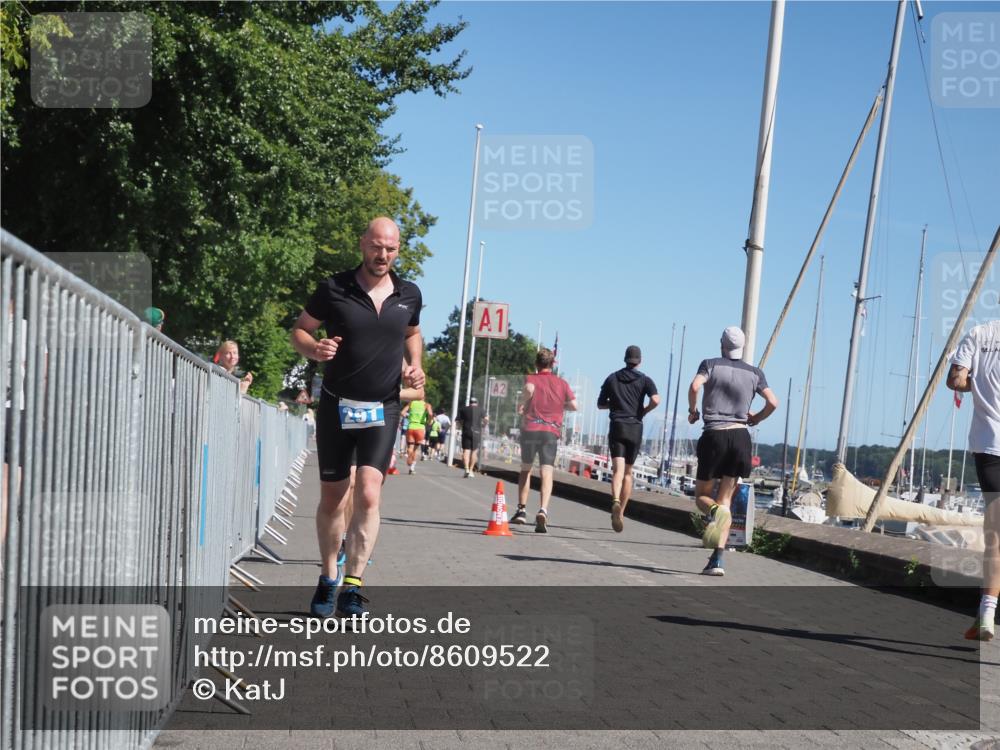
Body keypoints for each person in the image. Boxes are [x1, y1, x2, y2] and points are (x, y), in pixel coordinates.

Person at [290, 216, 424, 619]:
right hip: (335, 404)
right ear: (363, 243)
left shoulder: (409, 294)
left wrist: (415, 365)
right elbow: (300, 330)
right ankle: (329, 576)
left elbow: (412, 333)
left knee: (368, 490)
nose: (383, 255)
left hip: (383, 406)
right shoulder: (334, 288)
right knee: (334, 496)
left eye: (391, 248)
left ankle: (353, 584)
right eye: (376, 246)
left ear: (398, 250)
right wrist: (314, 349)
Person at [687, 326, 778, 576]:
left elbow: (695, 387)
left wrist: (693, 411)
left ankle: (716, 513)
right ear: (743, 346)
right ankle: (717, 560)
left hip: (715, 435)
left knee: (702, 498)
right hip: (740, 437)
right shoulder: (755, 373)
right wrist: (757, 418)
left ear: (721, 345)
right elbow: (773, 402)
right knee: (725, 499)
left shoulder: (710, 364)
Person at [947, 319, 1000, 641]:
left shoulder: (980, 334)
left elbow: (956, 380)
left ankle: (986, 613)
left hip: (990, 447)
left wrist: (976, 383)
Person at [510, 348, 577, 533]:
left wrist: (523, 403)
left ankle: (521, 510)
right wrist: (558, 404)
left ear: (536, 364)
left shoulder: (531, 378)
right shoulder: (562, 383)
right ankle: (543, 510)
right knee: (547, 471)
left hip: (531, 430)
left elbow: (529, 390)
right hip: (550, 432)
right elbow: (574, 405)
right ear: (552, 364)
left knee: (525, 469)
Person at [597, 345, 660, 533]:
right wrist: (643, 410)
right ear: (639, 361)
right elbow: (656, 400)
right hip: (635, 427)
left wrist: (615, 404)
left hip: (617, 425)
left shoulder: (612, 378)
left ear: (625, 359)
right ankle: (621, 512)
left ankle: (615, 500)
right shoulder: (645, 380)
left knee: (617, 470)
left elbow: (600, 404)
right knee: (628, 473)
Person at [457, 397, 487, 477]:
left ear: (470, 402)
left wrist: (461, 426)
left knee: (466, 451)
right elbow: (486, 419)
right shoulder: (481, 410)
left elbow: (458, 421)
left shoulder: (463, 409)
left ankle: (466, 468)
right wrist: (483, 425)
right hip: (477, 432)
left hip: (466, 431)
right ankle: (471, 470)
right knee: (474, 452)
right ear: (476, 403)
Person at [401, 398, 432, 474]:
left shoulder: (411, 403)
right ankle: (412, 468)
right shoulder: (426, 405)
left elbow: (402, 412)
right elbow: (430, 414)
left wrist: (409, 417)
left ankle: (409, 454)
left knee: (410, 447)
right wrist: (429, 420)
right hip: (420, 427)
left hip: (411, 426)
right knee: (416, 449)